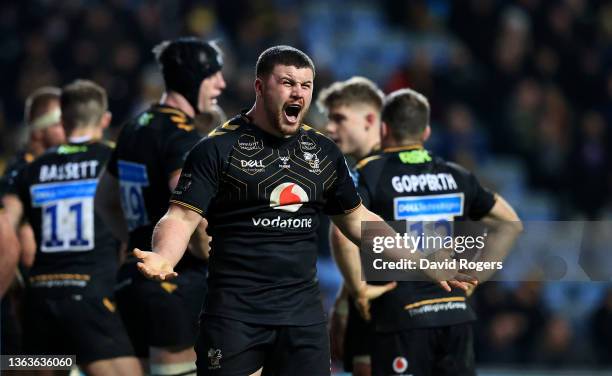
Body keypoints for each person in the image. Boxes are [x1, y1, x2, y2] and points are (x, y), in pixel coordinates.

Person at [135, 45, 462, 376]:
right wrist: (164, 256)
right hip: (235, 316)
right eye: (288, 83)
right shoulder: (217, 149)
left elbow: (360, 220)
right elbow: (180, 217)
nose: (299, 93)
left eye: (306, 85)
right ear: (260, 87)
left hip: (302, 318)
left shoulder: (322, 152)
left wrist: (424, 263)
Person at [336, 88, 522, 376]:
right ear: (425, 132)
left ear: (384, 129)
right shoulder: (456, 174)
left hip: (401, 315)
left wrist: (358, 289)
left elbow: (343, 232)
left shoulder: (368, 173)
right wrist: (477, 276)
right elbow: (511, 224)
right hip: (454, 313)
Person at [95, 37, 226, 376]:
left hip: (132, 280)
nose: (221, 84)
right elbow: (191, 214)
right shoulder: (181, 136)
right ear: (193, 76)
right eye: (214, 74)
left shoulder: (134, 128)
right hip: (175, 282)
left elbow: (106, 201)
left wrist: (139, 241)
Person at [1, 79, 142, 375]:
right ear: (105, 119)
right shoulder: (113, 160)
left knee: (30, 367)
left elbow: (7, 229)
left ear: (63, 121)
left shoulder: (32, 168)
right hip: (92, 296)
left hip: (41, 300)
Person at [316, 76, 383, 376]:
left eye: (339, 119)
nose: (330, 128)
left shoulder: (366, 175)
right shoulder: (414, 166)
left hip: (379, 304)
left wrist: (355, 295)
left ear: (369, 119)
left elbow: (345, 239)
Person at [0, 86, 66, 356]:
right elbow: (19, 248)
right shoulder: (20, 175)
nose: (70, 127)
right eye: (62, 122)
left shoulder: (49, 168)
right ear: (39, 130)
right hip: (29, 300)